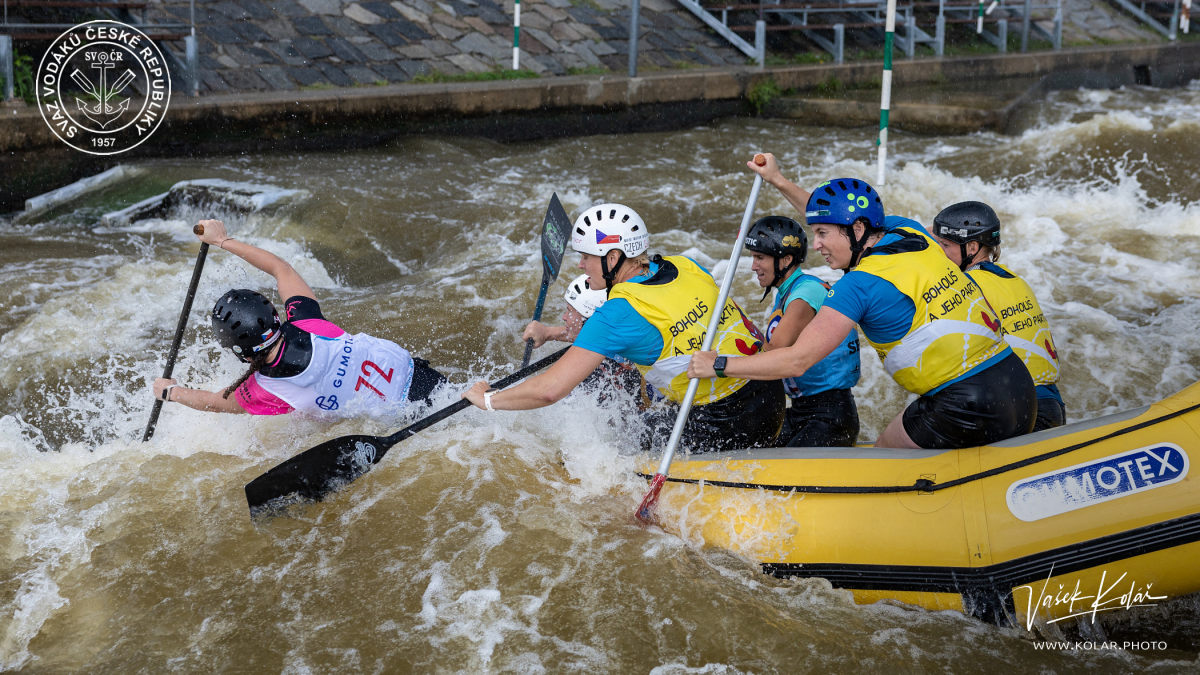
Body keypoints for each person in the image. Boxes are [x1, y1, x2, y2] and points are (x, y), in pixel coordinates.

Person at [689, 159, 1036, 449]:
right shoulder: (909, 232)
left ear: (857, 229)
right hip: (1017, 384)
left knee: (883, 455)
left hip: (967, 405)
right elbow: (831, 213)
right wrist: (778, 180)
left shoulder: (858, 287)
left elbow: (796, 361)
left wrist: (717, 365)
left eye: (823, 234)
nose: (817, 245)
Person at [463, 202, 785, 452]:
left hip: (726, 422)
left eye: (586, 257)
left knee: (612, 447)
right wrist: (553, 332)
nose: (580, 265)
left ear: (613, 257)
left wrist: (489, 399)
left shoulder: (616, 314)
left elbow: (549, 391)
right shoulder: (687, 265)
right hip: (770, 391)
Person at [150, 219, 447, 417]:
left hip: (402, 417)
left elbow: (215, 402)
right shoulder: (307, 320)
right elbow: (281, 269)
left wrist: (171, 392)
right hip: (423, 377)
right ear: (274, 316)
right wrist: (223, 241)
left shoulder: (264, 390)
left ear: (240, 352)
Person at [930, 201, 1065, 430]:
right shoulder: (1014, 279)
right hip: (1052, 407)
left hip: (1016, 411)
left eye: (944, 246)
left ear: (971, 247)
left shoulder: (965, 286)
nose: (940, 254)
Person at [744, 215, 861, 447]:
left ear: (786, 259)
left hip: (829, 417)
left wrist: (718, 367)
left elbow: (773, 354)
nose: (753, 266)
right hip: (802, 411)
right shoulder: (790, 292)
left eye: (760, 258)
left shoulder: (805, 294)